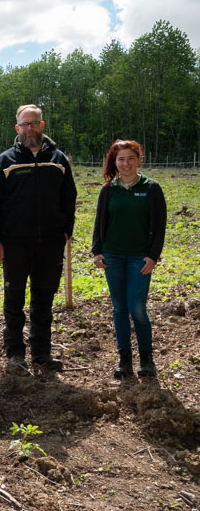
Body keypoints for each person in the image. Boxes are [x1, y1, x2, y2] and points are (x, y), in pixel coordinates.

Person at [0, 104, 77, 373]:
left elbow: (69, 198)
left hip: (50, 242)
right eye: (24, 125)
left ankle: (41, 353)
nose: (29, 129)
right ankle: (15, 354)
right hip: (15, 243)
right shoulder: (5, 162)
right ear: (17, 129)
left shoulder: (58, 160)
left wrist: (66, 230)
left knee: (43, 299)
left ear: (42, 125)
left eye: (33, 123)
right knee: (14, 299)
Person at [91, 140, 166, 378]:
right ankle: (125, 360)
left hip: (139, 259)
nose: (126, 164)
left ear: (139, 159)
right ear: (115, 162)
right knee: (119, 308)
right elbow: (99, 222)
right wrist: (97, 251)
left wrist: (153, 256)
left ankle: (146, 359)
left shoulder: (151, 188)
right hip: (112, 257)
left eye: (130, 158)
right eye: (121, 159)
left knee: (137, 308)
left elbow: (160, 226)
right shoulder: (108, 189)